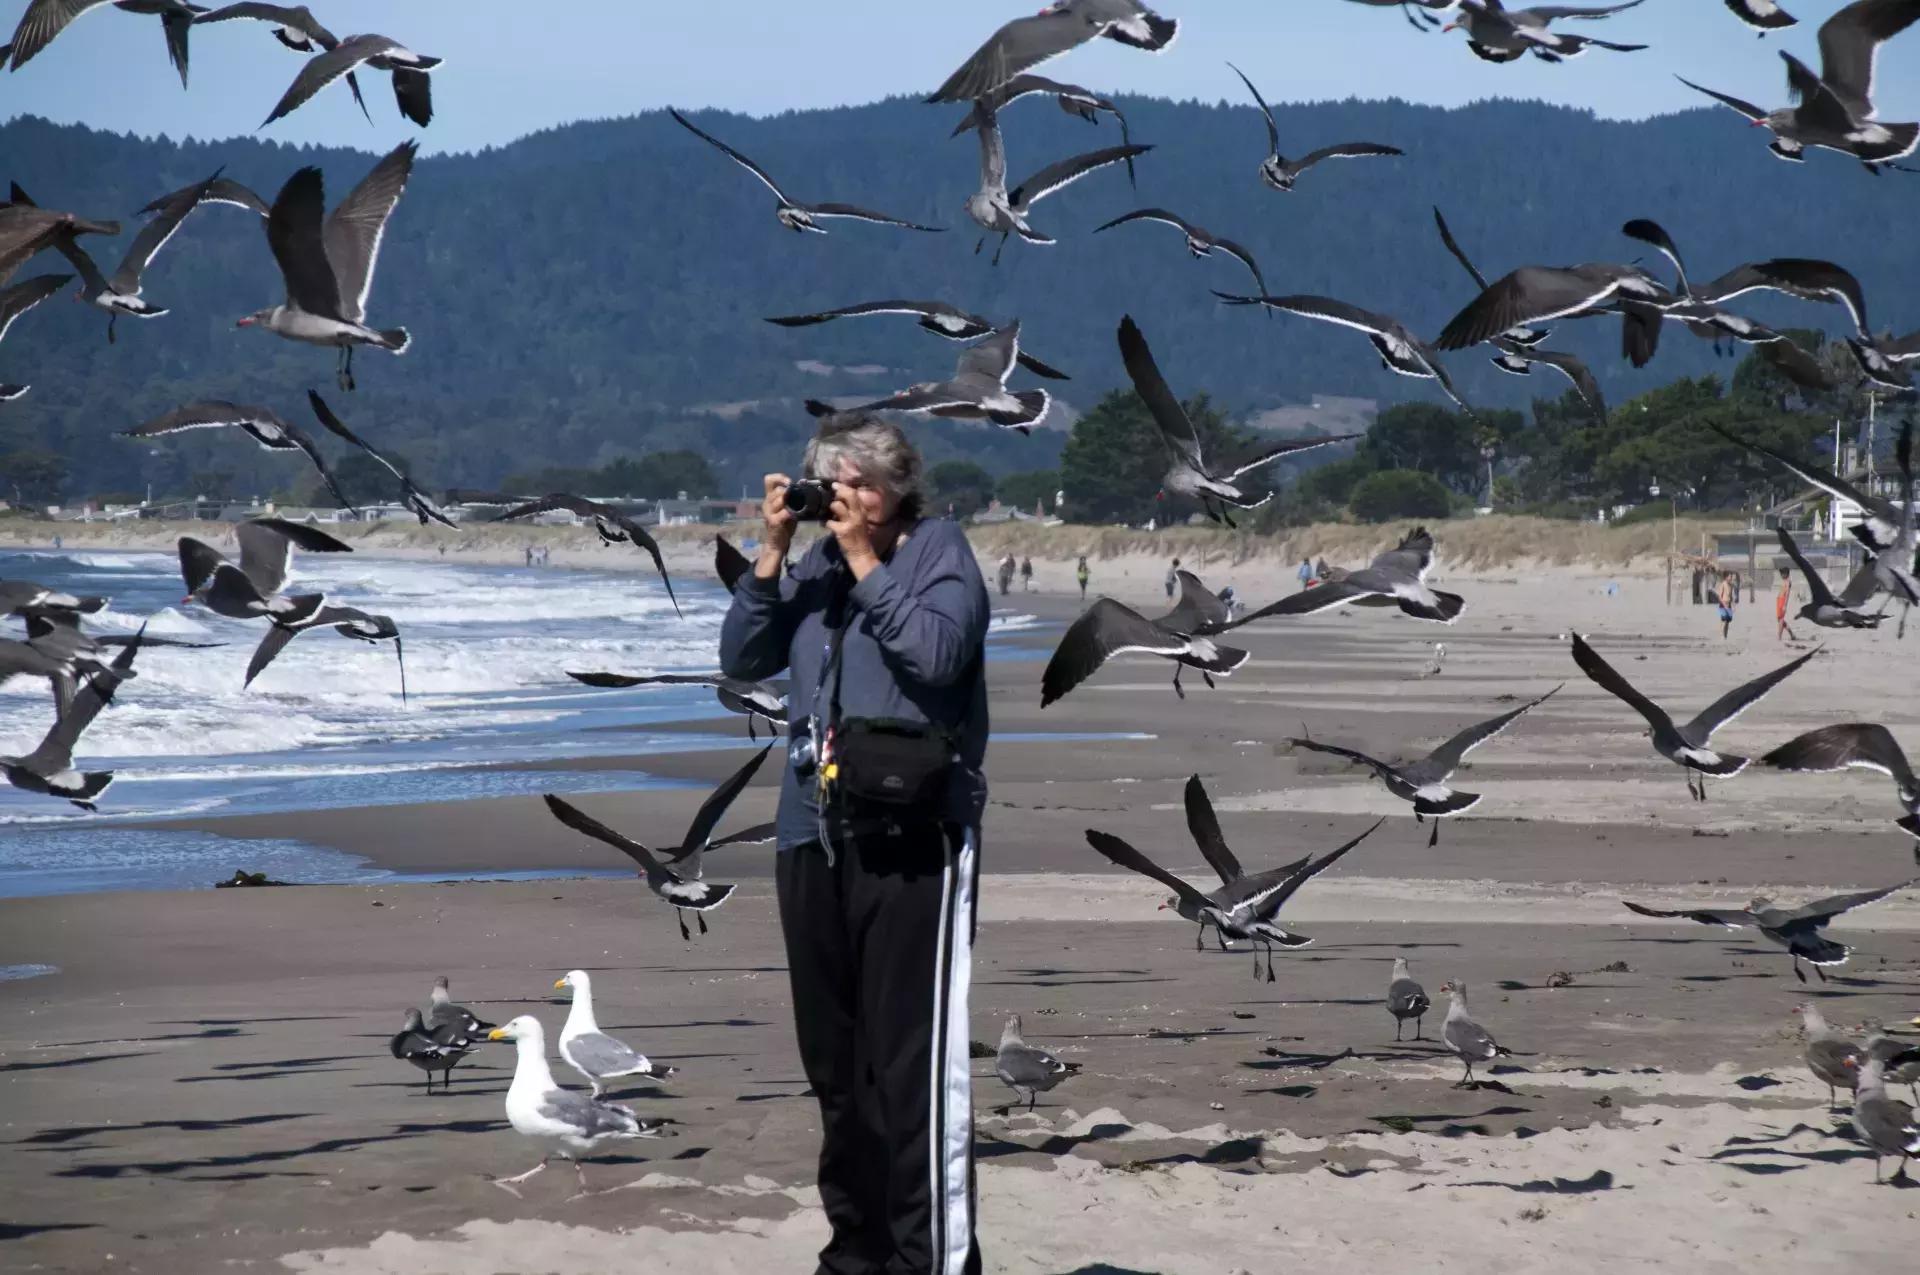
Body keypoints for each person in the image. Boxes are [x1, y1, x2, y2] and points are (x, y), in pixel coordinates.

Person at [720, 413, 986, 1275]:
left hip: (914, 837)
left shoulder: (938, 551)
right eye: (835, 484)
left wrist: (868, 564)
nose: (847, 500)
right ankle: (855, 1256)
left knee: (912, 1070)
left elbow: (938, 656)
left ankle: (929, 1260)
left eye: (863, 484)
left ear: (899, 488)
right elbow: (743, 658)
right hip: (812, 833)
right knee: (837, 1069)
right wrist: (771, 552)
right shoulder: (816, 567)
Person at [1776, 573, 1798, 642]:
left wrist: (1785, 605)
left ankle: (1779, 637)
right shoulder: (1785, 581)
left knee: (1781, 620)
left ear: (1786, 574)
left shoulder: (1788, 582)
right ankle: (1792, 634)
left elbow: (1787, 594)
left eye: (1782, 574)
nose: (1781, 575)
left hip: (1782, 601)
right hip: (1779, 600)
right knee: (1779, 619)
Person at [1716, 572, 1735, 639]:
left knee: (1728, 622)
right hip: (1723, 604)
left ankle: (1725, 636)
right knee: (1723, 621)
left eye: (1731, 577)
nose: (1731, 578)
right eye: (1730, 577)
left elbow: (1731, 596)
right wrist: (1724, 605)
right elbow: (1719, 597)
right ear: (1726, 577)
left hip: (1728, 604)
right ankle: (1721, 636)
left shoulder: (1731, 585)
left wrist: (1733, 606)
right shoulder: (1723, 585)